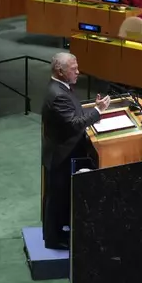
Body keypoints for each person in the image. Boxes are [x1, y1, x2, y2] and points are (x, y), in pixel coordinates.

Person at [41, 52, 111, 249]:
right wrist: (98, 112)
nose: (78, 72)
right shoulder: (58, 95)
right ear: (60, 71)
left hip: (64, 152)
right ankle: (53, 240)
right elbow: (74, 123)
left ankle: (60, 232)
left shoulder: (62, 87)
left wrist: (93, 109)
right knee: (56, 198)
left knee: (61, 196)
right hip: (61, 155)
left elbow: (73, 114)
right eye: (74, 69)